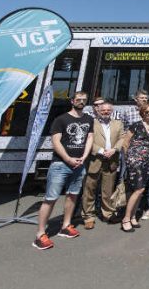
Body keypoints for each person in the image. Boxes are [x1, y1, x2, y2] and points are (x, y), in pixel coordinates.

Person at [33, 92, 94, 250]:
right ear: (72, 101)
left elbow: (89, 139)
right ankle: (40, 234)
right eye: (78, 100)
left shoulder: (89, 119)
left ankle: (66, 226)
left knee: (72, 196)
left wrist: (84, 157)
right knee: (51, 198)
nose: (81, 102)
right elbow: (56, 142)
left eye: (84, 100)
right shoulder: (61, 119)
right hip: (61, 164)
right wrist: (68, 159)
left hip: (79, 164)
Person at [81, 100, 124, 229]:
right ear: (98, 111)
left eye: (108, 110)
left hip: (111, 161)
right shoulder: (91, 123)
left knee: (108, 190)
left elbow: (122, 138)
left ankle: (108, 213)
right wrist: (100, 151)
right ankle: (88, 216)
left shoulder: (118, 123)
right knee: (89, 190)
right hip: (95, 160)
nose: (105, 112)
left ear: (112, 111)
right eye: (103, 110)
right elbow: (86, 140)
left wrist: (114, 149)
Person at [122, 103, 149, 233]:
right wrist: (128, 159)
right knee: (139, 188)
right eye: (146, 112)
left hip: (147, 160)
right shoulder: (136, 125)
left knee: (141, 189)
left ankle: (132, 217)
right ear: (142, 113)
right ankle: (125, 219)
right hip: (135, 159)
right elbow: (125, 142)